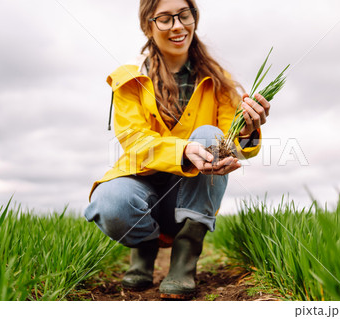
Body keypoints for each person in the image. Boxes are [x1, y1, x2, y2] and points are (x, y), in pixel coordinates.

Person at [84, 0, 271, 300]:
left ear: (194, 19)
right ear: (148, 26)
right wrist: (184, 151)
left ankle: (185, 257)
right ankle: (144, 247)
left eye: (184, 15)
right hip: (142, 184)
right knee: (111, 204)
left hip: (190, 195)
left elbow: (236, 146)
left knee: (211, 136)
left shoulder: (219, 83)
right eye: (165, 19)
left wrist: (247, 131)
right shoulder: (129, 81)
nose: (177, 26)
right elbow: (134, 139)